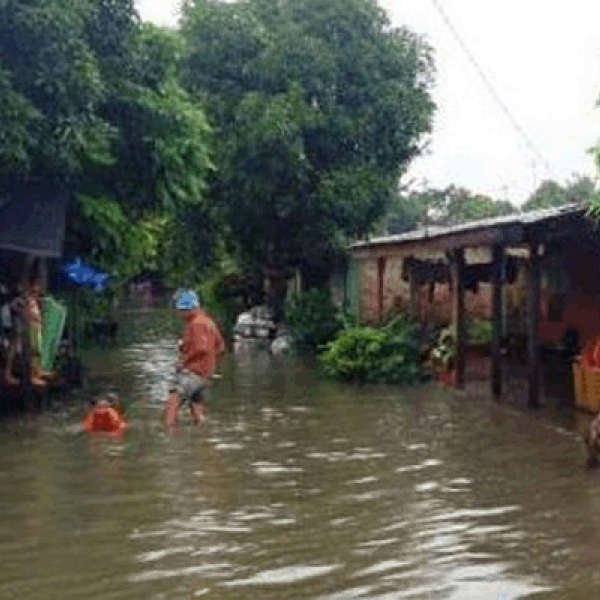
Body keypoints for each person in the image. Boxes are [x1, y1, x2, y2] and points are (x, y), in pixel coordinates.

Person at [164, 289, 224, 428]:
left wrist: (184, 362)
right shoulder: (209, 322)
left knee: (174, 397)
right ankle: (201, 431)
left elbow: (201, 348)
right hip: (205, 374)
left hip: (193, 371)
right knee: (196, 404)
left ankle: (168, 431)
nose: (179, 315)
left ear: (187, 309)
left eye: (180, 311)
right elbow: (220, 348)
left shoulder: (196, 323)